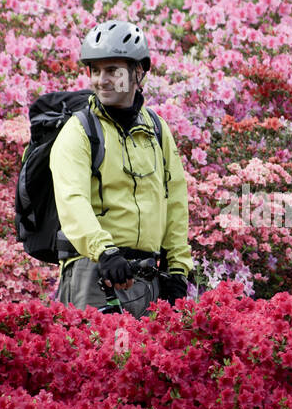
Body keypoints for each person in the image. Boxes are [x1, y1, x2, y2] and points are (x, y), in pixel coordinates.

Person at [50, 20, 193, 317]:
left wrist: (177, 269)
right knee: (95, 360)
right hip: (93, 272)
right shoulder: (79, 130)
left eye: (113, 70)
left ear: (139, 71)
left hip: (147, 278)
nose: (102, 79)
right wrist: (105, 252)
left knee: (148, 363)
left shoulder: (156, 129)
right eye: (96, 70)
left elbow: (175, 201)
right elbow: (72, 200)